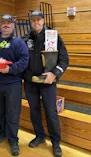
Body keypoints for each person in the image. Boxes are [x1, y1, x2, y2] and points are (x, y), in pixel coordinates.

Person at [22, 10, 69, 157]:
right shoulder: (25, 39)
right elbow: (21, 60)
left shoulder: (53, 37)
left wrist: (54, 73)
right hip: (31, 82)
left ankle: (55, 143)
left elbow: (64, 60)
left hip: (48, 82)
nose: (36, 22)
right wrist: (26, 75)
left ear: (43, 21)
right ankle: (40, 137)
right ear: (31, 22)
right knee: (34, 111)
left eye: (38, 20)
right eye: (33, 20)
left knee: (51, 112)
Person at [0, 14, 29, 156]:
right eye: (3, 22)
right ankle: (2, 133)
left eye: (9, 23)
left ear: (13, 25)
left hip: (13, 84)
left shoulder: (19, 43)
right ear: (0, 25)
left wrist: (9, 69)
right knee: (0, 111)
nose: (6, 25)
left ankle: (13, 140)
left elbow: (24, 61)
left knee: (12, 113)